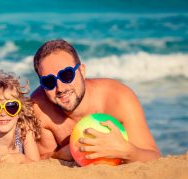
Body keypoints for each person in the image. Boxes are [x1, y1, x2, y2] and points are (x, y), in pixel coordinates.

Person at [31, 39, 161, 163]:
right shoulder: (39, 108)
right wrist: (58, 155)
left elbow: (154, 157)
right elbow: (39, 160)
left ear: (82, 70)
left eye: (67, 75)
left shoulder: (118, 98)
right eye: (49, 82)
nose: (60, 88)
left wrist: (127, 151)